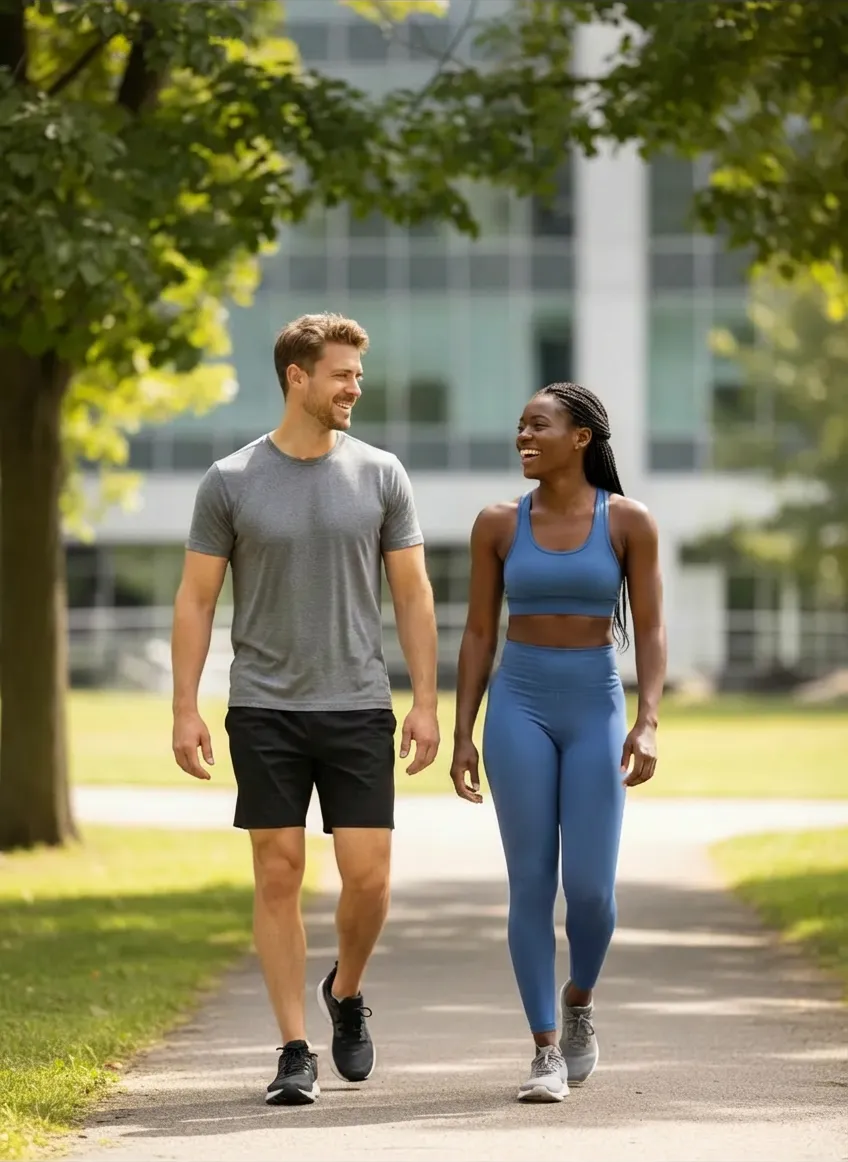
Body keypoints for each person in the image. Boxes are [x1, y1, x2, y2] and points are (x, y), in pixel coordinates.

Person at [170, 312, 440, 1107]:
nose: (356, 386)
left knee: (370, 878)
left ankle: (345, 993)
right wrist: (185, 708)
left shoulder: (383, 474)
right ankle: (293, 1048)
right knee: (278, 872)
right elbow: (194, 600)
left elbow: (414, 593)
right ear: (298, 377)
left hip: (358, 702)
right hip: (264, 707)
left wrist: (426, 703)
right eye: (343, 374)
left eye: (358, 373)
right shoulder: (230, 480)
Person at [450, 381, 666, 1104]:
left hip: (596, 701)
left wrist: (649, 719)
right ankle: (544, 1047)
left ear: (580, 438)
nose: (523, 437)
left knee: (592, 896)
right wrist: (462, 734)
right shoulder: (497, 524)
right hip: (520, 704)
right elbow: (479, 632)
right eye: (519, 427)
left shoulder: (629, 521)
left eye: (538, 426)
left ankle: (578, 1000)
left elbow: (654, 629)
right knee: (532, 885)